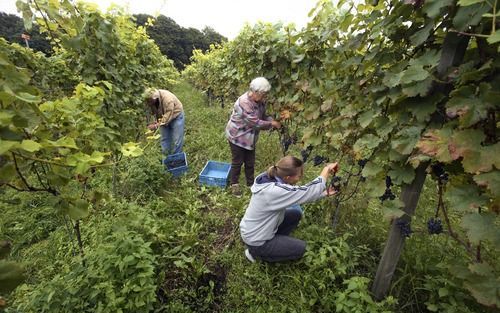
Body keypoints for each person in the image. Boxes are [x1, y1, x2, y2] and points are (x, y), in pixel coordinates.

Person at [239, 156, 339, 263]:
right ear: (287, 177)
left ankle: (277, 242)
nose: (300, 179)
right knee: (303, 248)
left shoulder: (269, 177)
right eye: (299, 176)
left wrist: (324, 193)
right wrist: (326, 169)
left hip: (253, 230)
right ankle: (256, 254)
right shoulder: (274, 191)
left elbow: (299, 195)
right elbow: (308, 191)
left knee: (295, 214)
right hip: (257, 241)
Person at [225, 77, 281, 196]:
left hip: (250, 138)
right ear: (255, 92)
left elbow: (264, 116)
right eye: (263, 94)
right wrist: (271, 124)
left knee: (250, 161)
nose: (265, 97)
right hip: (237, 136)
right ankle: (234, 184)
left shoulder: (260, 100)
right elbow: (255, 122)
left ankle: (250, 184)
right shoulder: (244, 103)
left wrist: (272, 121)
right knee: (237, 161)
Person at [145, 88, 185, 155]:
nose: (148, 102)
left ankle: (177, 157)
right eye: (147, 101)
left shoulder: (168, 99)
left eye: (149, 100)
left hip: (176, 115)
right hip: (163, 117)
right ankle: (166, 157)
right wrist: (153, 122)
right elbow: (151, 112)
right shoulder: (151, 101)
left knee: (177, 140)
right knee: (164, 139)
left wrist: (155, 126)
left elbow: (168, 116)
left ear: (154, 98)